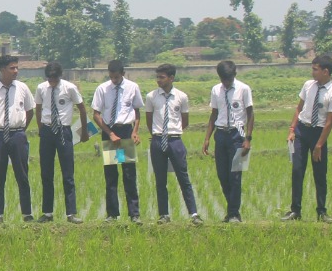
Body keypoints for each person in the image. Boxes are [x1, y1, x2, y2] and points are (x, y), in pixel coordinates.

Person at [284, 54, 332, 222]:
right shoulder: (308, 85)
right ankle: (295, 210)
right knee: (297, 171)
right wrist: (292, 129)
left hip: (318, 134)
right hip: (302, 131)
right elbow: (299, 108)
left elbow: (329, 123)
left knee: (320, 174)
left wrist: (319, 145)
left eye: (315, 69)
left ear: (325, 71)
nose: (312, 72)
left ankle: (322, 211)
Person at [145, 63, 201, 224]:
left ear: (171, 78)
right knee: (160, 180)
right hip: (157, 140)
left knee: (183, 178)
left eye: (162, 77)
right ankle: (164, 215)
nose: (158, 80)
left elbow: (185, 120)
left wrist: (173, 132)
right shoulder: (151, 96)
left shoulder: (181, 97)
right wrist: (157, 135)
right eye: (157, 77)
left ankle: (194, 214)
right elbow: (149, 120)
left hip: (175, 140)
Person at [0, 54, 34, 224]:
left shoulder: (23, 88)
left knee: (22, 175)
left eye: (17, 67)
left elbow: (30, 111)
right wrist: (1, 127)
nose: (16, 71)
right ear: (2, 69)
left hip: (18, 135)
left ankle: (27, 214)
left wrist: (20, 130)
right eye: (12, 68)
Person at [202, 61, 254, 223]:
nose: (226, 82)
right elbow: (214, 114)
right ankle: (232, 211)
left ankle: (233, 213)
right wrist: (207, 138)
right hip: (221, 134)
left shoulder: (244, 89)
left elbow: (250, 114)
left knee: (235, 176)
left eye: (229, 79)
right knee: (222, 175)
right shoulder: (216, 90)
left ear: (234, 75)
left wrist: (248, 139)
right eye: (223, 79)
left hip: (237, 135)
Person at [35, 62, 87, 223]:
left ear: (60, 76)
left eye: (54, 79)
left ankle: (71, 213)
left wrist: (84, 131)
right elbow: (38, 108)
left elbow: (82, 108)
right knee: (46, 173)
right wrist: (41, 128)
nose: (51, 82)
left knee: (68, 173)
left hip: (63, 131)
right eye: (49, 79)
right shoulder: (41, 88)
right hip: (47, 130)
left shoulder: (69, 88)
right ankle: (47, 213)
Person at [92, 60, 142, 221]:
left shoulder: (132, 87)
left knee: (129, 174)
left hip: (125, 131)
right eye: (111, 77)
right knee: (111, 175)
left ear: (123, 74)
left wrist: (135, 131)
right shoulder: (102, 89)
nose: (114, 80)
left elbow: (137, 112)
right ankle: (112, 214)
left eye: (116, 77)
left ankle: (134, 214)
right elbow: (96, 115)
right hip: (110, 132)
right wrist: (110, 133)